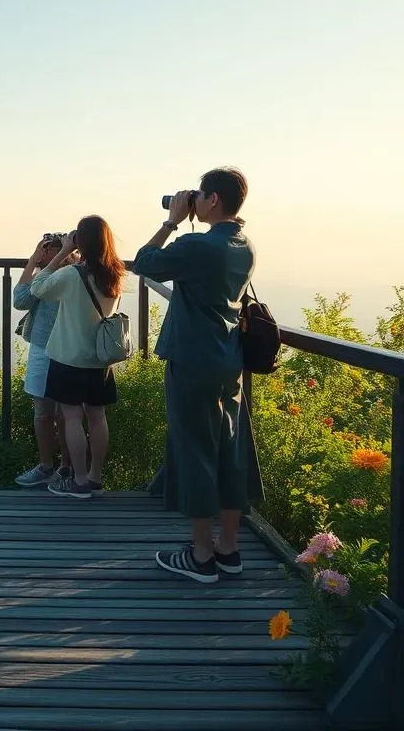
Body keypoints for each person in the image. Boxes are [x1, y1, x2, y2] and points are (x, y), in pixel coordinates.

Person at [131, 167, 260, 584]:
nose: (194, 202)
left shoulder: (196, 246)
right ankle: (229, 549)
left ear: (213, 200)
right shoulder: (245, 245)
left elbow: (144, 263)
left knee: (196, 453)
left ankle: (201, 556)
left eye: (198, 196)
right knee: (229, 451)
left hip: (192, 360)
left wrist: (170, 220)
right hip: (227, 360)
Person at [30, 216, 125, 500]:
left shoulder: (73, 275)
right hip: (99, 358)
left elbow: (38, 287)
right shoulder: (115, 274)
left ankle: (79, 481)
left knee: (72, 418)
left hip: (68, 357)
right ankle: (95, 477)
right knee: (97, 417)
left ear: (80, 241)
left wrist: (61, 252)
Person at [12, 234, 76, 486]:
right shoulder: (57, 274)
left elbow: (19, 300)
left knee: (57, 413)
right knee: (54, 412)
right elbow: (21, 301)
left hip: (55, 347)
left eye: (48, 249)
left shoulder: (64, 274)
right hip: (55, 348)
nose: (44, 253)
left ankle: (57, 467)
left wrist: (34, 261)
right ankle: (58, 468)